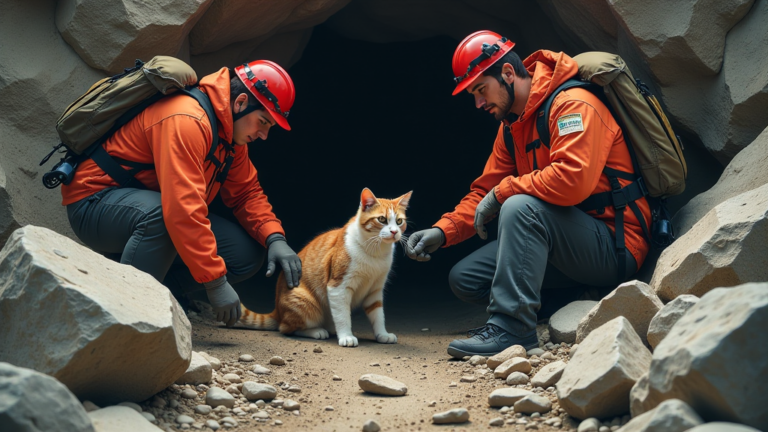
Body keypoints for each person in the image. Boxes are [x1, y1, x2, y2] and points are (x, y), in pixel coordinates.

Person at [406, 31, 651, 358]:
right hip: (567, 249)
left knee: (520, 207)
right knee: (465, 279)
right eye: (473, 95)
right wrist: (443, 230)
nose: (478, 103)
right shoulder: (513, 127)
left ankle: (512, 328)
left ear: (508, 73)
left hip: (615, 244)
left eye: (481, 90)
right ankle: (579, 296)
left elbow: (572, 179)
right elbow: (483, 190)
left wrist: (504, 192)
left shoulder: (573, 104)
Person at [61, 60, 303, 328]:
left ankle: (163, 293)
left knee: (243, 253)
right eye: (263, 122)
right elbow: (182, 209)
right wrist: (216, 282)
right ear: (241, 102)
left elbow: (245, 192)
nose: (265, 135)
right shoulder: (187, 120)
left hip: (147, 209)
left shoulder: (228, 135)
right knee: (162, 216)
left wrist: (274, 237)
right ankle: (128, 316)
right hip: (94, 203)